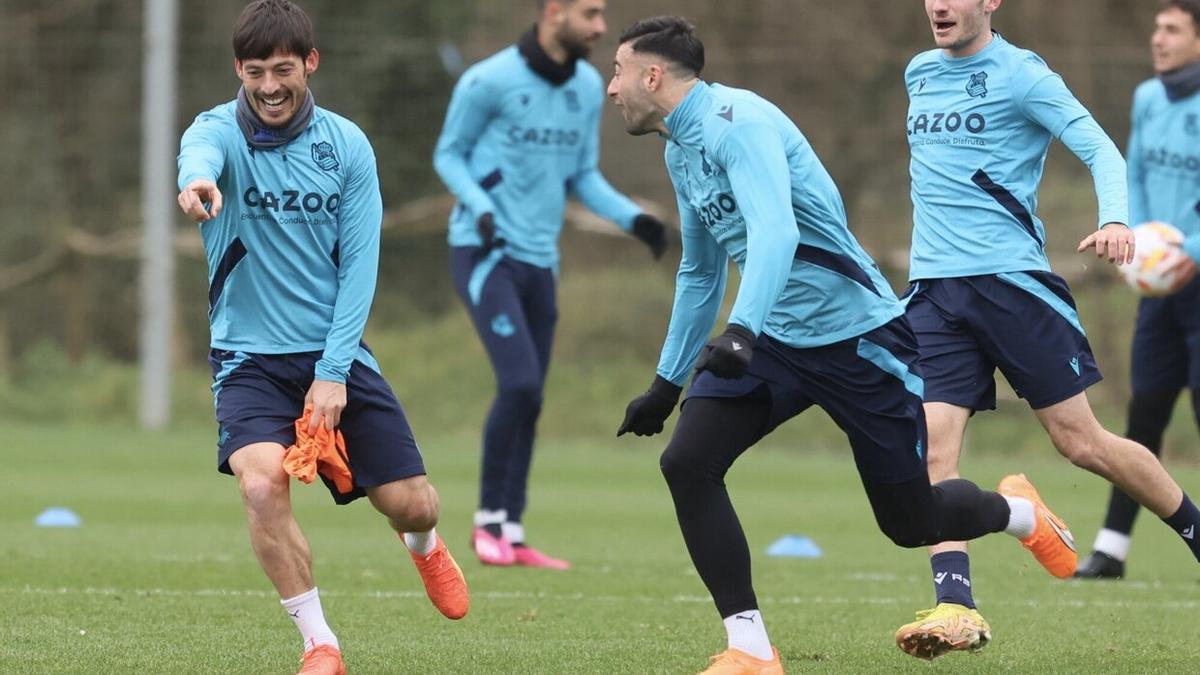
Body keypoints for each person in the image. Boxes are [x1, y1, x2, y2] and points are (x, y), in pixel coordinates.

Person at [608, 16, 1074, 672]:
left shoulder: (737, 124)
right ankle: (750, 649)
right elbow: (700, 270)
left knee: (911, 522)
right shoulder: (679, 146)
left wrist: (739, 330)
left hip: (859, 339)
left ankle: (1020, 513)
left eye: (618, 71)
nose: (611, 88)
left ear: (651, 75)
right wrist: (667, 381)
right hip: (773, 340)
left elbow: (777, 234)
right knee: (688, 462)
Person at [895, 0, 1200, 658]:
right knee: (932, 454)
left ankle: (1196, 529)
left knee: (1082, 443)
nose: (940, 5)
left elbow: (1100, 149)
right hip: (935, 292)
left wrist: (1117, 219)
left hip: (1012, 287)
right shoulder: (918, 71)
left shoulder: (1024, 74)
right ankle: (958, 607)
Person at [176, 2, 468, 672]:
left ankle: (423, 545)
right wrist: (196, 185)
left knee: (411, 501)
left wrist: (333, 372)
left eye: (283, 69)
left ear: (310, 62)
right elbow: (200, 157)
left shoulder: (347, 146)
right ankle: (319, 641)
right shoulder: (215, 132)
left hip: (335, 352)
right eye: (255, 72)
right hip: (246, 357)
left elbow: (360, 265)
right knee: (259, 483)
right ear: (238, 70)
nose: (270, 85)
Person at [433, 0, 669, 570]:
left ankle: (511, 531)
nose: (599, 26)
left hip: (541, 261)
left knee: (532, 395)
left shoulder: (587, 87)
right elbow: (449, 155)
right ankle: (487, 523)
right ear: (553, 11)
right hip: (485, 252)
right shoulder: (486, 81)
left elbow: (582, 174)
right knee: (517, 384)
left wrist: (633, 217)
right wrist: (482, 206)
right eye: (589, 13)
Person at [1076, 0, 1200, 580]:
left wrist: (1187, 251)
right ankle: (1111, 549)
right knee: (1142, 413)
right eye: (1156, 27)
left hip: (1195, 276)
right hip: (1160, 286)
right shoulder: (1149, 98)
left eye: (1172, 28)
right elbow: (1137, 175)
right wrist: (1143, 242)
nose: (1158, 38)